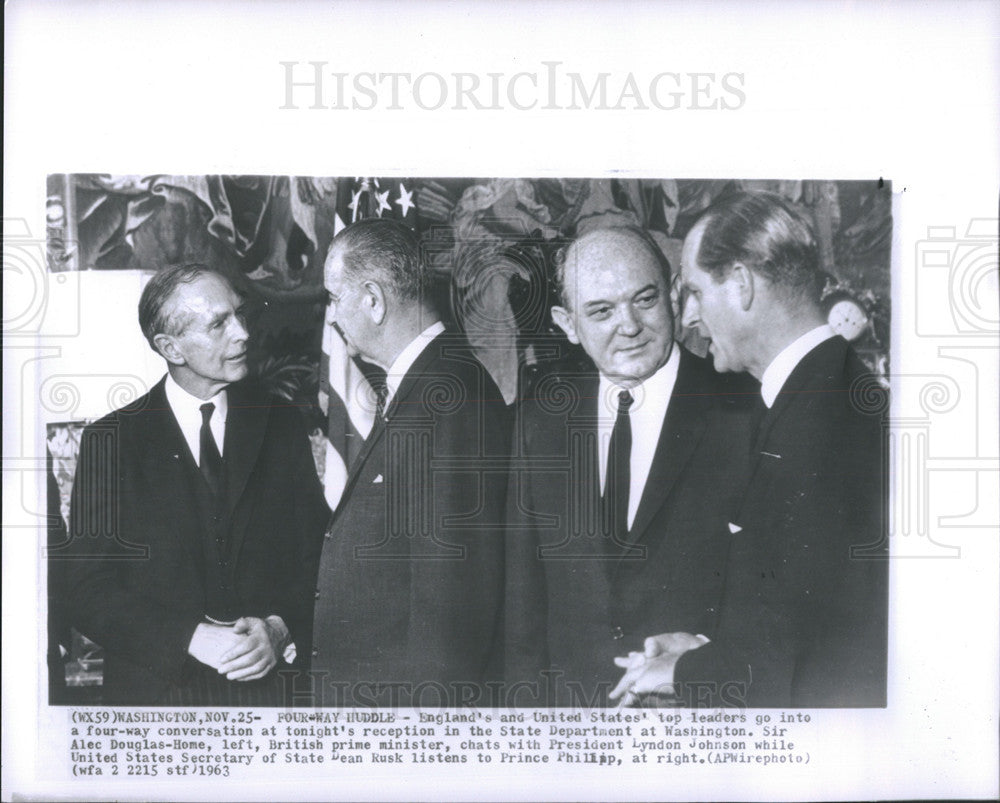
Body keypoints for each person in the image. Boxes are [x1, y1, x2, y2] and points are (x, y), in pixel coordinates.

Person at [612, 191, 888, 708]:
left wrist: (686, 673)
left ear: (740, 284)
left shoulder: (823, 417)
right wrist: (701, 649)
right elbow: (803, 607)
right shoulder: (823, 391)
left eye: (694, 292)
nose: (688, 318)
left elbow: (808, 655)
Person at [505, 226, 754, 706]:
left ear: (675, 296)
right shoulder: (539, 419)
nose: (630, 326)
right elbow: (523, 611)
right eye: (601, 311)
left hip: (698, 724)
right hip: (572, 733)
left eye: (644, 300)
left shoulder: (744, 409)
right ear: (566, 323)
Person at [61, 264, 330, 705]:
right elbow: (87, 589)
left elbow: (319, 555)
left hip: (271, 703)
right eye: (219, 324)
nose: (242, 333)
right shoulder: (112, 441)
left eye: (238, 315)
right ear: (172, 348)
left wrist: (279, 629)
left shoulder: (279, 423)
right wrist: (189, 638)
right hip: (158, 703)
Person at [309, 218, 510, 707]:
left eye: (335, 298)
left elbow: (451, 596)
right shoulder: (429, 383)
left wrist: (422, 743)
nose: (331, 316)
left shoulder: (448, 395)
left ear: (373, 300)